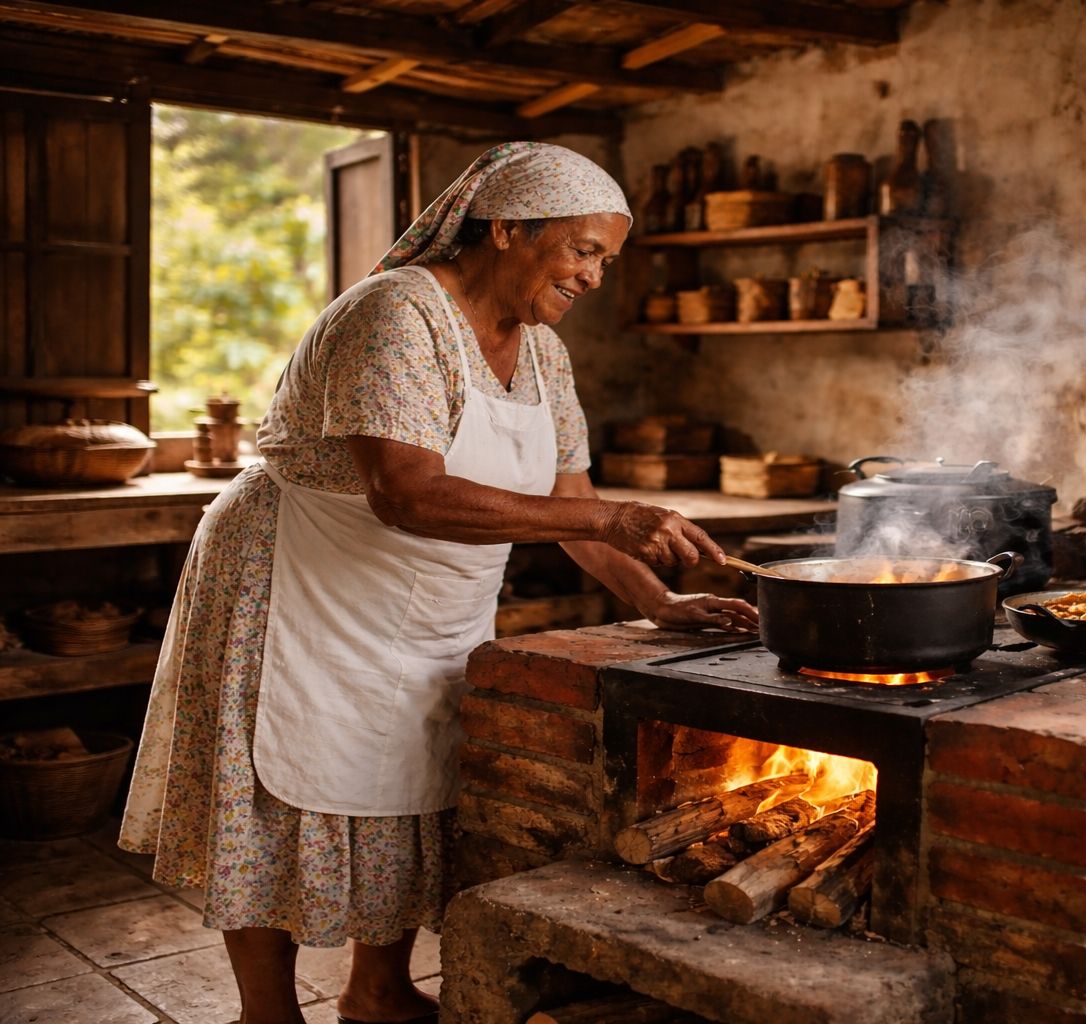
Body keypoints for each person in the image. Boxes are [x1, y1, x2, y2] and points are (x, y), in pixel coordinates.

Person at [119, 142, 757, 1024]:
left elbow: (570, 501)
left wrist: (659, 601)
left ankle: (377, 991)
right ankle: (266, 1011)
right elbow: (405, 492)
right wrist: (611, 521)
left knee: (405, 781)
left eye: (607, 259)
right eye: (582, 249)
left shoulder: (541, 354)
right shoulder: (397, 314)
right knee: (279, 792)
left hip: (425, 597)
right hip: (301, 574)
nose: (596, 276)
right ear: (504, 228)